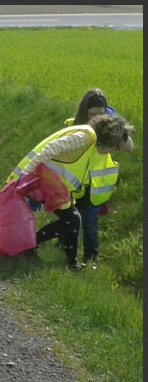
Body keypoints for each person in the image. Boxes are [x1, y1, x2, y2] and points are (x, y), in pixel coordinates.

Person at [8, 111, 134, 270]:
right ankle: (30, 246)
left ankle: (71, 264)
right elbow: (51, 148)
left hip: (54, 185)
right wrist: (27, 173)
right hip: (43, 181)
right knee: (73, 220)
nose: (112, 152)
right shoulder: (85, 138)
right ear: (108, 140)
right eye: (114, 148)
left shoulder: (92, 144)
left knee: (74, 221)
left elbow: (129, 147)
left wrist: (121, 131)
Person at [61, 89, 134, 267]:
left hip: (94, 186)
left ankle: (90, 260)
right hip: (72, 183)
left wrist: (117, 125)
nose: (96, 118)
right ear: (84, 111)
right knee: (67, 220)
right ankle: (63, 250)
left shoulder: (107, 130)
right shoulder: (72, 125)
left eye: (101, 114)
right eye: (92, 114)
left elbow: (129, 147)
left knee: (89, 223)